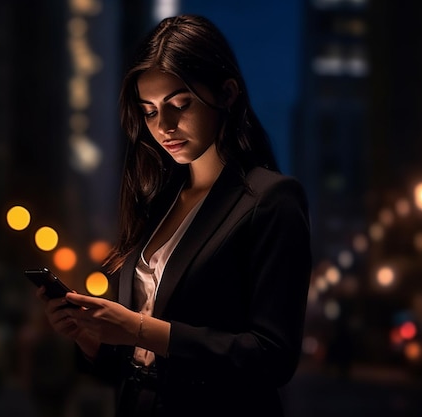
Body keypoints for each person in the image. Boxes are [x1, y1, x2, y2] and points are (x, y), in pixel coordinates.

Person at [37, 14, 312, 417]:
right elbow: (137, 365)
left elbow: (272, 356)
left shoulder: (271, 200)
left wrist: (137, 328)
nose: (163, 126)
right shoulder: (158, 203)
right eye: (148, 111)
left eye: (180, 104)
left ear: (228, 92)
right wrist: (91, 338)